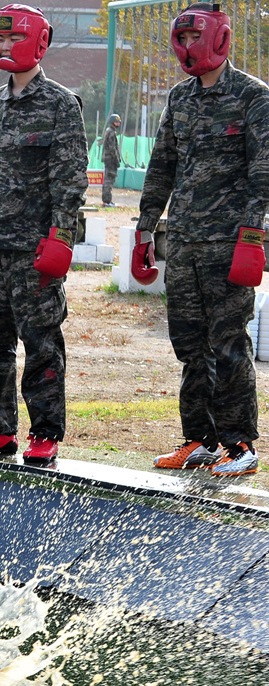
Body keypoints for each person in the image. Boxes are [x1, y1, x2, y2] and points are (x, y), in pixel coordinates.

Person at [0, 4, 87, 465]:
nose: (5, 46)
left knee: (42, 342)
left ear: (37, 42)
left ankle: (45, 433)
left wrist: (61, 237)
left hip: (34, 248)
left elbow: (70, 179)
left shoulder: (62, 104)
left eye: (13, 39)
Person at [133, 3, 269, 476]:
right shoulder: (180, 99)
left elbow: (263, 172)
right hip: (185, 243)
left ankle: (241, 445)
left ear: (219, 39)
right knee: (189, 346)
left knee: (228, 343)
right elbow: (162, 166)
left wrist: (253, 237)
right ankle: (201, 440)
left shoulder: (254, 97)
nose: (188, 48)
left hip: (229, 245)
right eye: (183, 39)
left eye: (197, 38)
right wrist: (145, 228)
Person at [101, 113, 123, 208]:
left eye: (118, 122)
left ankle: (107, 200)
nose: (117, 124)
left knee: (109, 179)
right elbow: (112, 148)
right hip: (111, 160)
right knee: (109, 180)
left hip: (109, 159)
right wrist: (117, 160)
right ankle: (106, 201)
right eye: (116, 122)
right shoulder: (111, 132)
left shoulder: (109, 131)